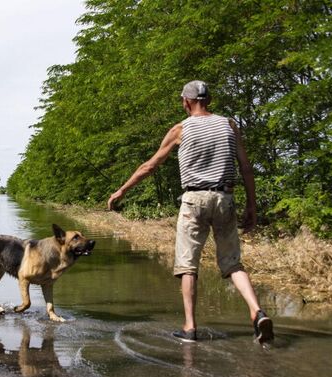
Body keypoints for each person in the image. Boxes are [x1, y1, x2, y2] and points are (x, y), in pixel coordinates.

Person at [107, 80, 274, 344]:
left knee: (188, 265)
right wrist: (252, 205)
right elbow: (246, 167)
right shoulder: (229, 125)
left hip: (194, 199)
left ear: (186, 102)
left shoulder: (180, 129)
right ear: (209, 100)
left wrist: (121, 191)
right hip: (225, 198)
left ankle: (190, 327)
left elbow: (149, 166)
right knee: (232, 263)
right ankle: (257, 312)